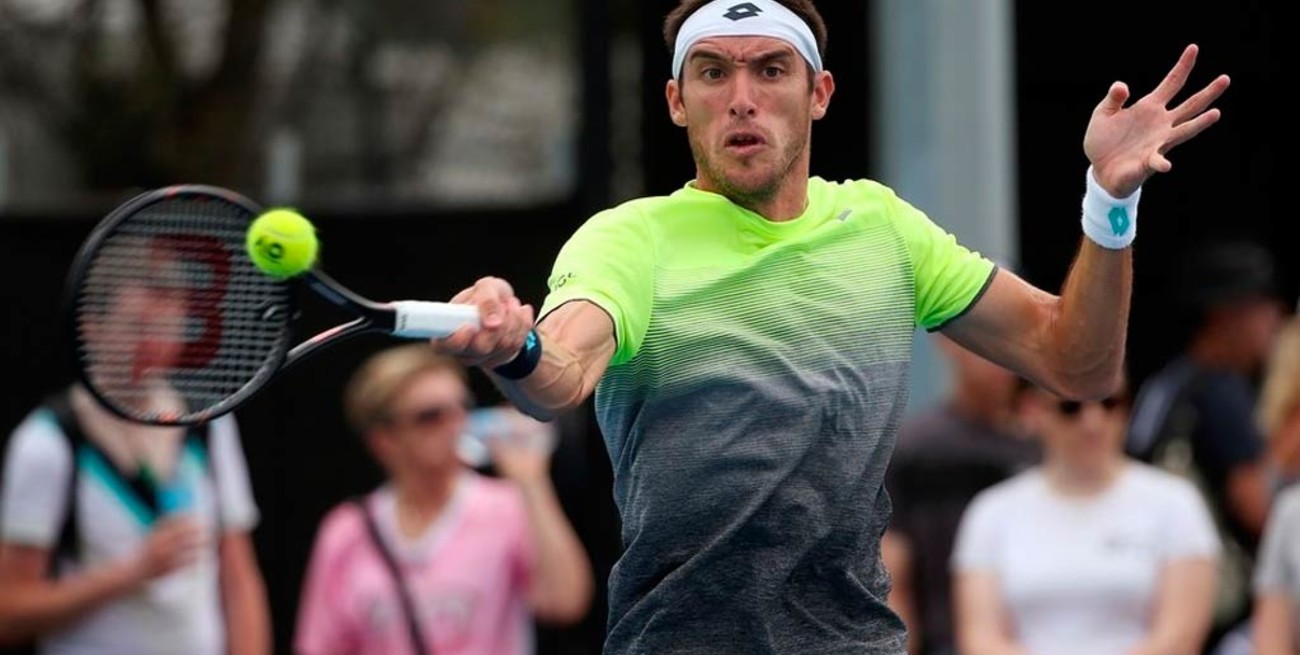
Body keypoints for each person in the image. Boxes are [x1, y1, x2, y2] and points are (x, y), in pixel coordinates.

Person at [431, 0, 1230, 651]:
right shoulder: (628, 238)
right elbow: (561, 374)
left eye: (771, 69)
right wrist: (517, 345)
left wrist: (1110, 202)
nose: (742, 97)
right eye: (713, 72)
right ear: (678, 102)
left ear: (818, 93)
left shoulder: (880, 227)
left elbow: (1077, 365)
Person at [0, 255, 271, 655]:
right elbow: (9, 615)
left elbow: (239, 578)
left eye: (167, 327)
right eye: (137, 326)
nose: (153, 345)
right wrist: (130, 573)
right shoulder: (46, 444)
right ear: (91, 326)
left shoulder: (210, 425)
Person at [294, 345, 593, 655]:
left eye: (461, 407)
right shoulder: (347, 530)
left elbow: (564, 602)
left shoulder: (505, 507)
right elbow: (321, 644)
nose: (454, 423)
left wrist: (531, 481)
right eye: (430, 416)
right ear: (383, 439)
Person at [952, 378, 1219, 655]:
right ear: (1034, 410)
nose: (1093, 422)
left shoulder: (1176, 503)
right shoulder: (991, 512)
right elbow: (981, 641)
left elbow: (1179, 638)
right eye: (1071, 408)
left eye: (1110, 403)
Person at [1127, 241, 1287, 638]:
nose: (1275, 319)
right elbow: (1261, 514)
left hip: (1152, 588)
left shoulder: (1165, 382)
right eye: (1261, 304)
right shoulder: (1220, 389)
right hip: (1212, 609)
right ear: (1225, 313)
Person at [884, 335, 1039, 655]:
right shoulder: (914, 448)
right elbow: (893, 574)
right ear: (949, 342)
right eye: (985, 337)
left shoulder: (1043, 450)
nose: (997, 355)